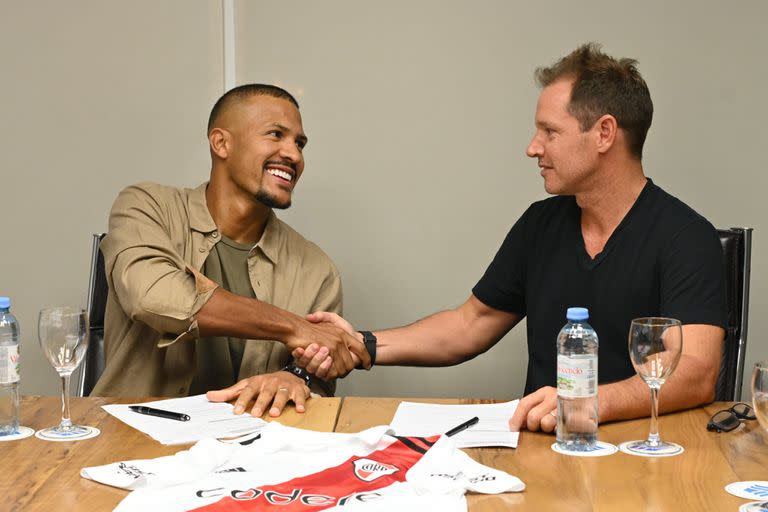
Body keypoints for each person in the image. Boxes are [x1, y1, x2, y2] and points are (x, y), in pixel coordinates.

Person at [296, 43, 727, 432]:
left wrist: (588, 404)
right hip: (547, 447)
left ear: (604, 133)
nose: (533, 147)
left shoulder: (687, 238)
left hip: (646, 455)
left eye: (550, 131)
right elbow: (470, 324)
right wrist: (363, 345)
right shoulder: (540, 225)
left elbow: (694, 370)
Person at [92, 84, 369, 417]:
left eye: (299, 143)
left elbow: (318, 375)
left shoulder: (317, 270)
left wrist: (293, 377)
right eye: (275, 134)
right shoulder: (147, 207)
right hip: (128, 442)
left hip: (253, 452)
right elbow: (153, 296)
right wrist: (293, 326)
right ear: (221, 143)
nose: (294, 155)